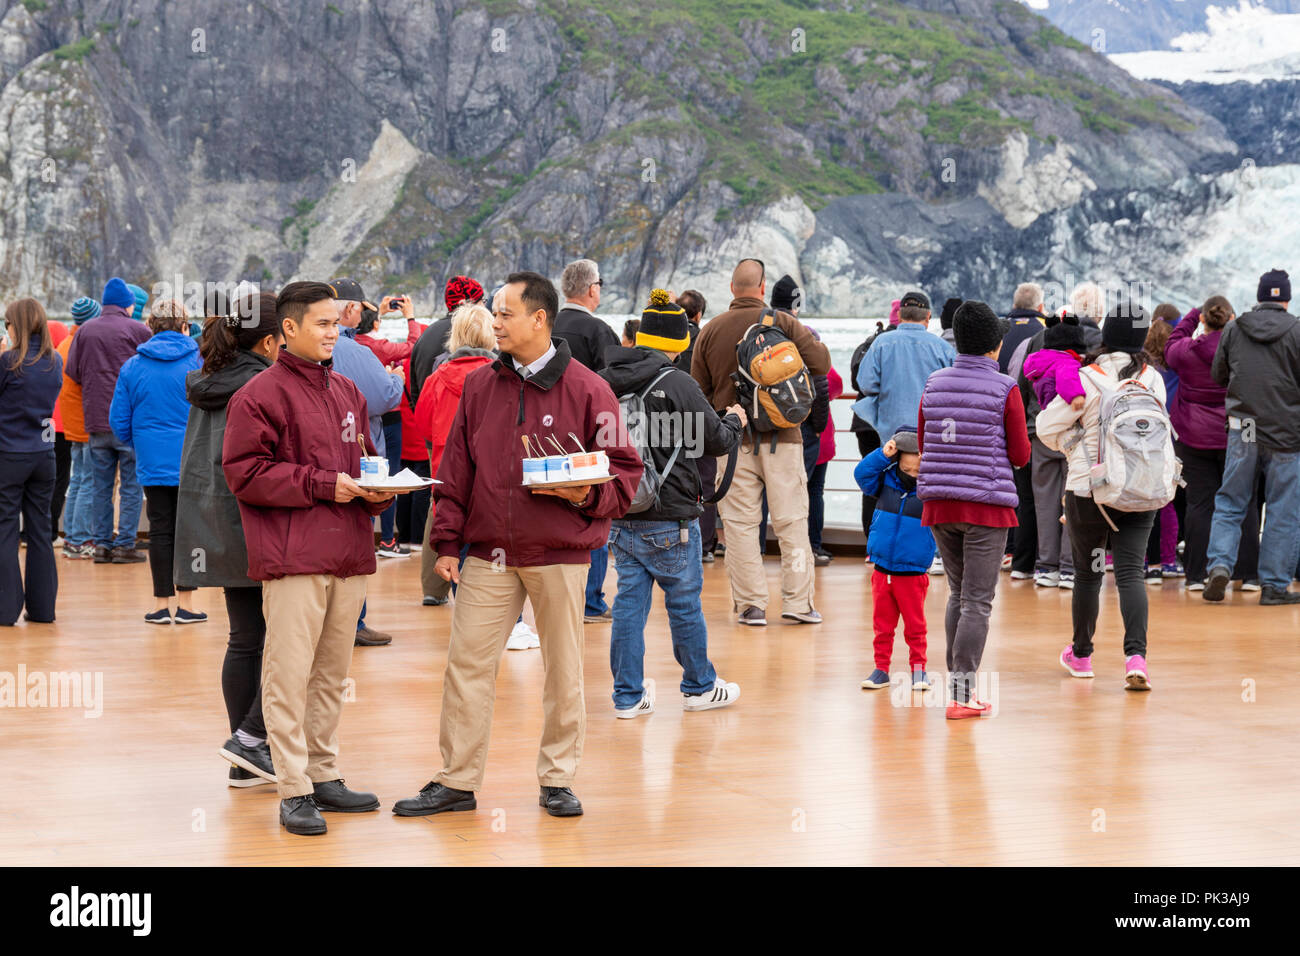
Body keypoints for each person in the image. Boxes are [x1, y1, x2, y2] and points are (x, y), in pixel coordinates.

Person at [392, 271, 641, 820]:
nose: (495, 322)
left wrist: (583, 495)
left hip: (560, 551)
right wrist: (448, 544)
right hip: (487, 554)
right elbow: (455, 470)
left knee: (564, 668)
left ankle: (558, 780)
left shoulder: (588, 389)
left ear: (539, 319)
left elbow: (625, 476)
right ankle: (457, 781)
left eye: (505, 313)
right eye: (494, 313)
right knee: (466, 666)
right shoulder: (480, 385)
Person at [222, 281, 395, 835]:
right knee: (287, 674)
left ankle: (323, 774)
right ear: (287, 331)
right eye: (322, 324)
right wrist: (325, 485)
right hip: (294, 557)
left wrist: (380, 487)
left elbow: (363, 456)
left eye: (336, 324)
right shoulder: (258, 395)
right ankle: (293, 788)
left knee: (330, 675)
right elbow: (244, 474)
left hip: (348, 551)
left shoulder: (347, 390)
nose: (333, 333)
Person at [598, 290, 746, 716]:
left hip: (623, 508)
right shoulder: (677, 382)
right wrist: (734, 419)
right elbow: (713, 441)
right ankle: (699, 686)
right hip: (671, 514)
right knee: (682, 603)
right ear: (680, 343)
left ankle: (627, 696)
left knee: (628, 605)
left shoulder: (606, 379)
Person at [176, 292, 282, 788]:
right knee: (290, 640)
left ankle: (246, 753)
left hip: (213, 518)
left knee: (245, 638)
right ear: (268, 340)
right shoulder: (264, 384)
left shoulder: (205, 381)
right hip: (262, 519)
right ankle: (252, 743)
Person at [691, 258, 831, 626]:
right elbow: (821, 362)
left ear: (731, 288)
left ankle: (752, 605)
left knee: (739, 525)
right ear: (763, 287)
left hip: (733, 441)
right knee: (792, 522)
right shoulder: (782, 322)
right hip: (783, 437)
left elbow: (698, 391)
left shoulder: (711, 330)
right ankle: (798, 603)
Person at [1037, 303, 1167, 689]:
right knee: (1131, 574)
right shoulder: (1153, 379)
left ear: (1105, 335)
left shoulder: (1086, 377)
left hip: (1089, 491)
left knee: (1089, 574)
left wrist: (1073, 442)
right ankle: (1136, 658)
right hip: (1141, 490)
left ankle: (1081, 655)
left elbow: (1046, 427)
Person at [917, 301, 1029, 718]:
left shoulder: (934, 382)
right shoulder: (1005, 388)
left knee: (958, 595)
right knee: (978, 603)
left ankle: (957, 690)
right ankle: (962, 696)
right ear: (996, 346)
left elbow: (926, 442)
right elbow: (1020, 454)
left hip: (940, 502)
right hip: (986, 507)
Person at [1202, 269, 1300, 605]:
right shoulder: (1298, 330)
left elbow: (1218, 375)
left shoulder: (1233, 327)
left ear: (1260, 297)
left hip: (1244, 427)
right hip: (1287, 431)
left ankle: (1218, 565)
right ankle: (1273, 586)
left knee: (1231, 502)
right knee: (1282, 509)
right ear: (1285, 298)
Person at [110, 299, 204, 624]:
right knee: (189, 530)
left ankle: (161, 604)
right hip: (192, 459)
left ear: (151, 326)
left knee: (160, 529)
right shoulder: (198, 362)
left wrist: (142, 443)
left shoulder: (133, 366)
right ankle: (188, 604)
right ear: (184, 326)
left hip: (152, 460)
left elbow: (118, 421)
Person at [327, 277, 404, 646]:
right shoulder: (357, 353)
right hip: (356, 459)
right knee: (356, 542)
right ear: (352, 309)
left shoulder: (306, 349)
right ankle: (352, 623)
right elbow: (382, 398)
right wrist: (396, 379)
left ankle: (327, 622)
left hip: (320, 464)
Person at [1164, 298, 1259, 590]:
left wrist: (1193, 316)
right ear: (1230, 317)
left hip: (1194, 436)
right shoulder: (1242, 352)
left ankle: (1196, 574)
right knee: (1243, 501)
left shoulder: (1187, 352)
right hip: (1238, 433)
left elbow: (1170, 345)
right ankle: (1248, 574)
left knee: (1200, 504)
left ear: (1203, 319)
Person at [553, 258, 621, 623]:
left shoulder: (545, 325)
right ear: (593, 288)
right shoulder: (598, 331)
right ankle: (590, 600)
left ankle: (557, 595)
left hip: (545, 437)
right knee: (595, 514)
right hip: (589, 440)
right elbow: (612, 386)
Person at [65, 278, 151, 564]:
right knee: (130, 485)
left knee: (101, 486)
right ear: (129, 305)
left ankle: (101, 544)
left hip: (96, 422)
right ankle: (125, 544)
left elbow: (73, 372)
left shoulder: (85, 331)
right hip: (128, 422)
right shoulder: (139, 330)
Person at [855, 427, 935, 691]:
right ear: (897, 462)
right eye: (907, 469)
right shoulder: (884, 481)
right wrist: (883, 455)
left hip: (912, 574)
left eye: (918, 471)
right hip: (881, 571)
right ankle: (881, 669)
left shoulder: (931, 492)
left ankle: (919, 670)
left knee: (915, 627)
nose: (913, 475)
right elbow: (861, 474)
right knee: (882, 626)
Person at [0, 299, 64, 626]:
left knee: (5, 529)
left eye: (8, 324)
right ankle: (42, 609)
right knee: (40, 530)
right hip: (44, 454)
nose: (6, 329)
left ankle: (5, 609)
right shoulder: (56, 362)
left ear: (18, 326)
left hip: (9, 454)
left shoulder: (8, 362)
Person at [1021, 314, 1089, 588]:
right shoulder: (1067, 363)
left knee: (1044, 501)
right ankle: (1069, 566)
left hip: (1039, 435)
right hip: (1069, 435)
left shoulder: (1034, 362)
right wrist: (1078, 399)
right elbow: (1070, 385)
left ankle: (1046, 566)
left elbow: (1022, 391)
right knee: (1070, 497)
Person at [355, 293, 425, 557]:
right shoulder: (380, 347)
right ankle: (387, 540)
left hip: (360, 417)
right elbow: (413, 345)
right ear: (374, 325)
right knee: (389, 477)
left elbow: (363, 332)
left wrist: (378, 315)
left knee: (362, 474)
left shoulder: (349, 343)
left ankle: (363, 539)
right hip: (388, 417)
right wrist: (410, 317)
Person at [853, 290, 954, 445]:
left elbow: (866, 384)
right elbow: (952, 390)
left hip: (891, 433)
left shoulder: (881, 343)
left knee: (890, 468)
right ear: (928, 316)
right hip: (929, 433)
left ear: (899, 316)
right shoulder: (943, 348)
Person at [674, 290, 717, 559]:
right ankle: (704, 544)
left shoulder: (671, 340)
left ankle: (676, 537)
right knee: (705, 482)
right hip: (701, 418)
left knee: (672, 477)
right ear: (699, 313)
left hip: (670, 419)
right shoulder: (705, 339)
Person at [56, 297, 99, 559]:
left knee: (78, 479)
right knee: (88, 481)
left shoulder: (64, 344)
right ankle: (81, 539)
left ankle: (72, 537)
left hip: (71, 422)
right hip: (86, 422)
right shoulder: (83, 345)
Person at [1142, 316, 1182, 582]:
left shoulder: (1143, 367)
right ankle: (1168, 559)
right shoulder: (1180, 366)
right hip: (1175, 435)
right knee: (1169, 500)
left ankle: (1148, 560)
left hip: (1142, 435)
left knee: (1146, 498)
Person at [408, 275, 485, 402]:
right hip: (467, 418)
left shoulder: (425, 335)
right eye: (481, 301)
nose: (484, 306)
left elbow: (415, 391)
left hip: (430, 416)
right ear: (466, 304)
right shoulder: (479, 333)